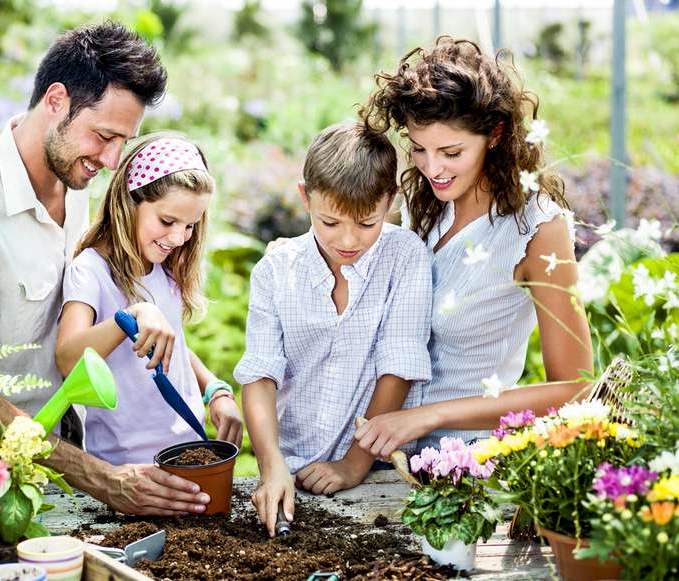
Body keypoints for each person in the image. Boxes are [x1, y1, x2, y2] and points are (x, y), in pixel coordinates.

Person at [0, 22, 211, 516]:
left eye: (124, 141)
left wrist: (205, 381)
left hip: (67, 451)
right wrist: (103, 479)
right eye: (105, 135)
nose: (114, 160)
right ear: (56, 100)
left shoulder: (76, 181)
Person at [353, 37, 593, 457]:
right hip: (382, 452)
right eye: (419, 149)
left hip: (467, 463)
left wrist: (432, 415)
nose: (432, 168)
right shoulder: (422, 203)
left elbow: (576, 390)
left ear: (496, 135)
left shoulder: (536, 227)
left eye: (452, 152)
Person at [235, 121, 433, 536]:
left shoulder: (404, 257)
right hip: (291, 461)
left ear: (389, 200)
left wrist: (353, 464)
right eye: (330, 222)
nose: (348, 240)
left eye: (366, 223)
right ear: (305, 198)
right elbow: (260, 375)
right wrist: (273, 468)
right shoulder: (276, 271)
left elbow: (397, 366)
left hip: (378, 466)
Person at [55, 133, 243, 470]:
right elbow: (68, 359)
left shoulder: (164, 268)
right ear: (130, 202)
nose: (178, 237)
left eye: (190, 226)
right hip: (127, 467)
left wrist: (215, 389)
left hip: (188, 451)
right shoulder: (92, 271)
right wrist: (132, 315)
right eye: (168, 221)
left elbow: (173, 348)